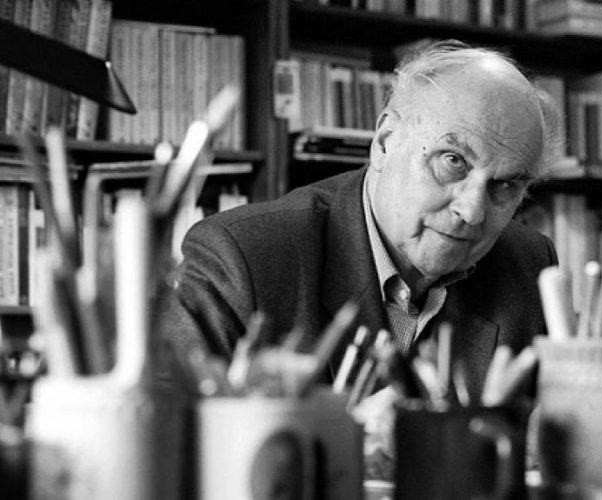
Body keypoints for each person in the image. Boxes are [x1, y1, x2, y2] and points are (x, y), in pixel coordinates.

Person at [163, 39, 562, 401]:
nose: (472, 210)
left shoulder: (530, 266)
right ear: (385, 142)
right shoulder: (242, 258)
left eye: (505, 185)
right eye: (453, 161)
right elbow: (172, 437)